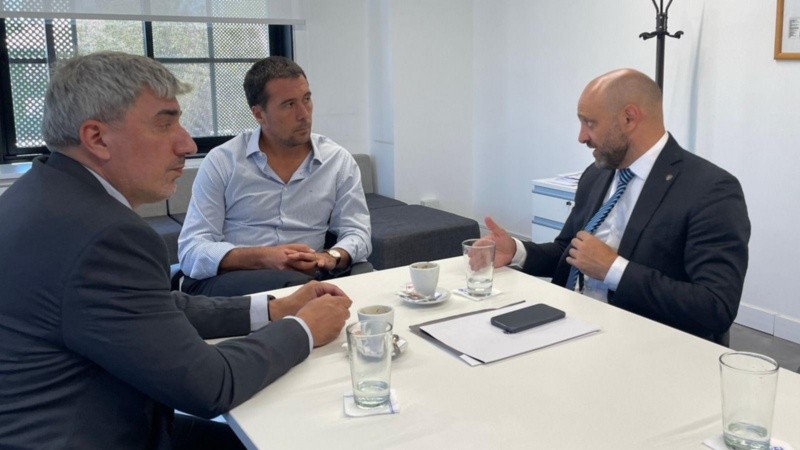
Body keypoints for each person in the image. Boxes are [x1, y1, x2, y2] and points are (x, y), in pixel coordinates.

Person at [0, 51, 352, 449]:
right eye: (165, 123)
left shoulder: (40, 193)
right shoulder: (106, 234)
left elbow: (150, 308)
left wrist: (273, 309)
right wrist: (305, 328)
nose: (186, 144)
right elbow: (210, 386)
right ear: (96, 138)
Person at [484, 68, 750, 344]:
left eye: (590, 123)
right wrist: (517, 251)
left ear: (629, 118)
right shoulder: (597, 175)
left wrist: (613, 270)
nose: (581, 136)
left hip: (647, 348)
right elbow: (570, 251)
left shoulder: (710, 190)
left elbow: (715, 307)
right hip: (572, 328)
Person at [177, 56, 372, 297]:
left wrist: (330, 257)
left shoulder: (337, 161)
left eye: (307, 99)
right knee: (304, 292)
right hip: (237, 282)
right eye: (289, 104)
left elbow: (358, 232)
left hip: (309, 278)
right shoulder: (222, 161)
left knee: (365, 284)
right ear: (259, 114)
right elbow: (191, 249)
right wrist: (263, 257)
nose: (304, 114)